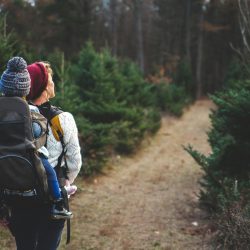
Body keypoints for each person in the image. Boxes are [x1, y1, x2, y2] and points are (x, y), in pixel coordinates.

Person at [2, 57, 82, 250]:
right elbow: (74, 162)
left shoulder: (7, 117)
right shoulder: (64, 119)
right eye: (51, 80)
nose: (54, 83)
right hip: (50, 200)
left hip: (17, 196)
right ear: (44, 88)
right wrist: (65, 184)